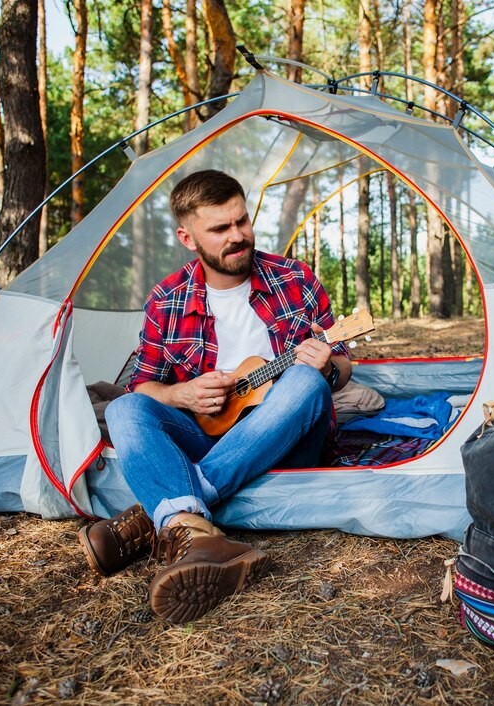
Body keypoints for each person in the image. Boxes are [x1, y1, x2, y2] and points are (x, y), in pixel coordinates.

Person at [78, 169, 352, 624]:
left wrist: (327, 365)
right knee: (126, 408)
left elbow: (342, 365)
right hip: (210, 436)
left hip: (289, 439)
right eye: (221, 229)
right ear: (188, 237)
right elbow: (142, 385)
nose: (238, 236)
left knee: (305, 382)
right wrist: (181, 393)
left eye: (242, 221)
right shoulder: (167, 298)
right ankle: (198, 531)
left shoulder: (294, 277)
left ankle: (171, 515)